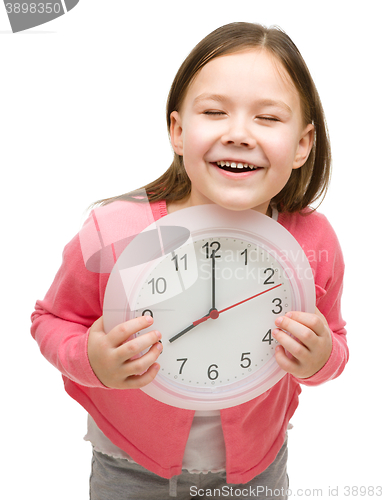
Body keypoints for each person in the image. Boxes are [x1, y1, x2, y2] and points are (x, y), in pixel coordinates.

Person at [31, 22, 348, 500]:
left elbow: (336, 341)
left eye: (268, 118)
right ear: (178, 131)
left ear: (303, 144)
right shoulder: (114, 233)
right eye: (215, 111)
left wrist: (321, 358)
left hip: (256, 469)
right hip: (129, 464)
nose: (239, 134)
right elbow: (51, 319)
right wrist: (89, 358)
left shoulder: (312, 242)